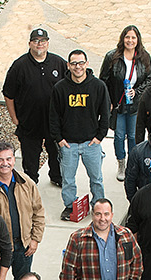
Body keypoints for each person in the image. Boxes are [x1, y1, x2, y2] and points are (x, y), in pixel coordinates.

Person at [49, 49, 111, 221]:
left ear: (87, 64)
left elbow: (106, 114)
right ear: (68, 66)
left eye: (81, 63)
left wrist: (99, 137)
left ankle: (98, 206)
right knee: (68, 179)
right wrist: (59, 140)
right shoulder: (60, 88)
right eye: (74, 63)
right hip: (68, 144)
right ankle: (70, 207)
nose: (78, 67)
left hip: (91, 143)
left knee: (96, 178)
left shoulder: (98, 86)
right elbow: (53, 117)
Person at [2, 28, 68, 186]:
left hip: (53, 122)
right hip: (29, 122)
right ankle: (31, 184)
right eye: (36, 41)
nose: (40, 44)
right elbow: (8, 93)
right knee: (30, 158)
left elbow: (69, 87)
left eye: (43, 41)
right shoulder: (19, 66)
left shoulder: (58, 63)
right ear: (30, 43)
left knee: (56, 153)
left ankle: (57, 178)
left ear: (48, 43)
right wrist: (14, 118)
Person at [59, 199, 143, 280]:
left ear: (112, 215)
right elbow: (68, 272)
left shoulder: (126, 236)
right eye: (98, 214)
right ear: (92, 215)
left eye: (106, 214)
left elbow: (137, 263)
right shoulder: (78, 239)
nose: (102, 218)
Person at [0, 140, 47, 280]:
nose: (5, 163)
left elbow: (39, 212)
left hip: (24, 248)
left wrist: (35, 239)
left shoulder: (26, 182)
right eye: (0, 159)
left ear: (14, 159)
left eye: (8, 159)